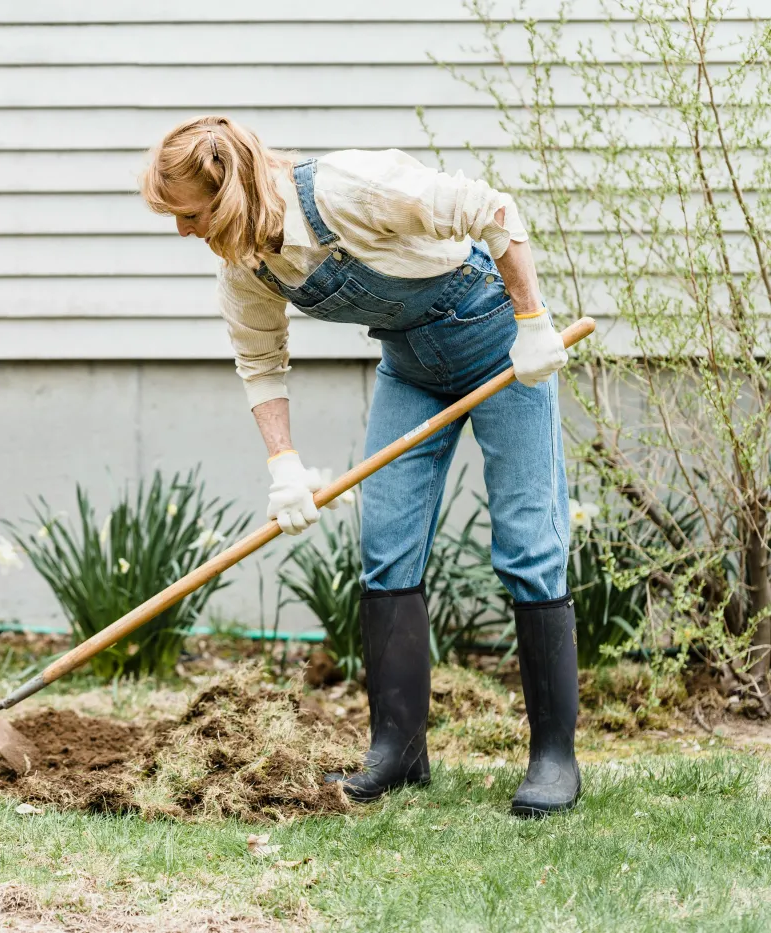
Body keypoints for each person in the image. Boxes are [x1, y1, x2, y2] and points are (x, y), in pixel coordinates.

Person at [141, 115, 578, 817]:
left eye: (189, 215)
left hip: (501, 347)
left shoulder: (346, 188)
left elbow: (493, 210)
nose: (184, 231)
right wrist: (284, 465)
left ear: (225, 195)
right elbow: (260, 362)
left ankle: (554, 758)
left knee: (529, 543)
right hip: (412, 369)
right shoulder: (248, 261)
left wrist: (532, 322)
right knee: (386, 547)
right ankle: (397, 751)